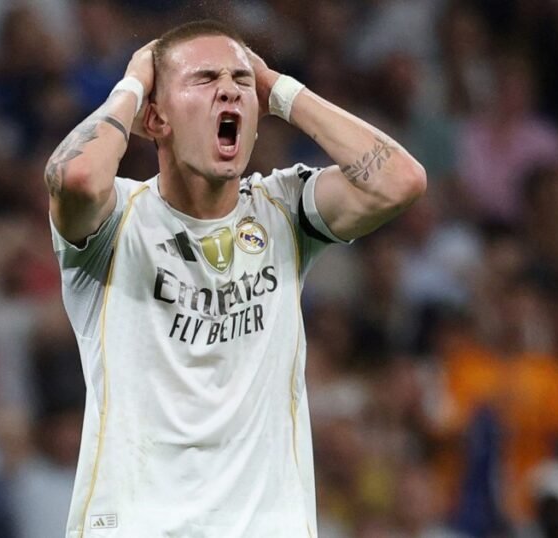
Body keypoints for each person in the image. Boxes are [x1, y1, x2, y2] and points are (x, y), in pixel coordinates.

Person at [43, 19, 426, 538]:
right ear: (155, 119)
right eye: (203, 79)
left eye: (240, 81)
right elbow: (77, 177)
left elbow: (399, 181)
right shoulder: (116, 221)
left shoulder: (283, 209)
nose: (228, 89)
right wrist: (133, 84)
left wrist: (279, 89)